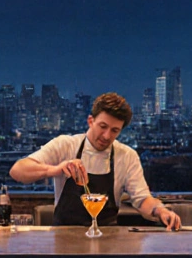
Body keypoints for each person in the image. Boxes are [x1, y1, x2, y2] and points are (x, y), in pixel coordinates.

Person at [10, 93, 183, 230]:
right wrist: (55, 170)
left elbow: (142, 199)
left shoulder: (127, 156)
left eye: (114, 130)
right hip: (64, 240)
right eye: (103, 127)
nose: (107, 136)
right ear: (90, 121)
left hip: (108, 240)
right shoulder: (66, 145)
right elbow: (17, 171)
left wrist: (160, 211)